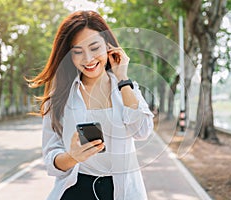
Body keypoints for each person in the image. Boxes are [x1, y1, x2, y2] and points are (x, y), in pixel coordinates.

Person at [28, 10, 154, 200]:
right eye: (77, 51)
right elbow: (50, 158)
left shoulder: (126, 88)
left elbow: (142, 131)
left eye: (95, 48)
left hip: (122, 192)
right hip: (76, 189)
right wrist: (72, 157)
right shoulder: (60, 98)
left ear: (108, 46)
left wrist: (122, 78)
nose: (88, 59)